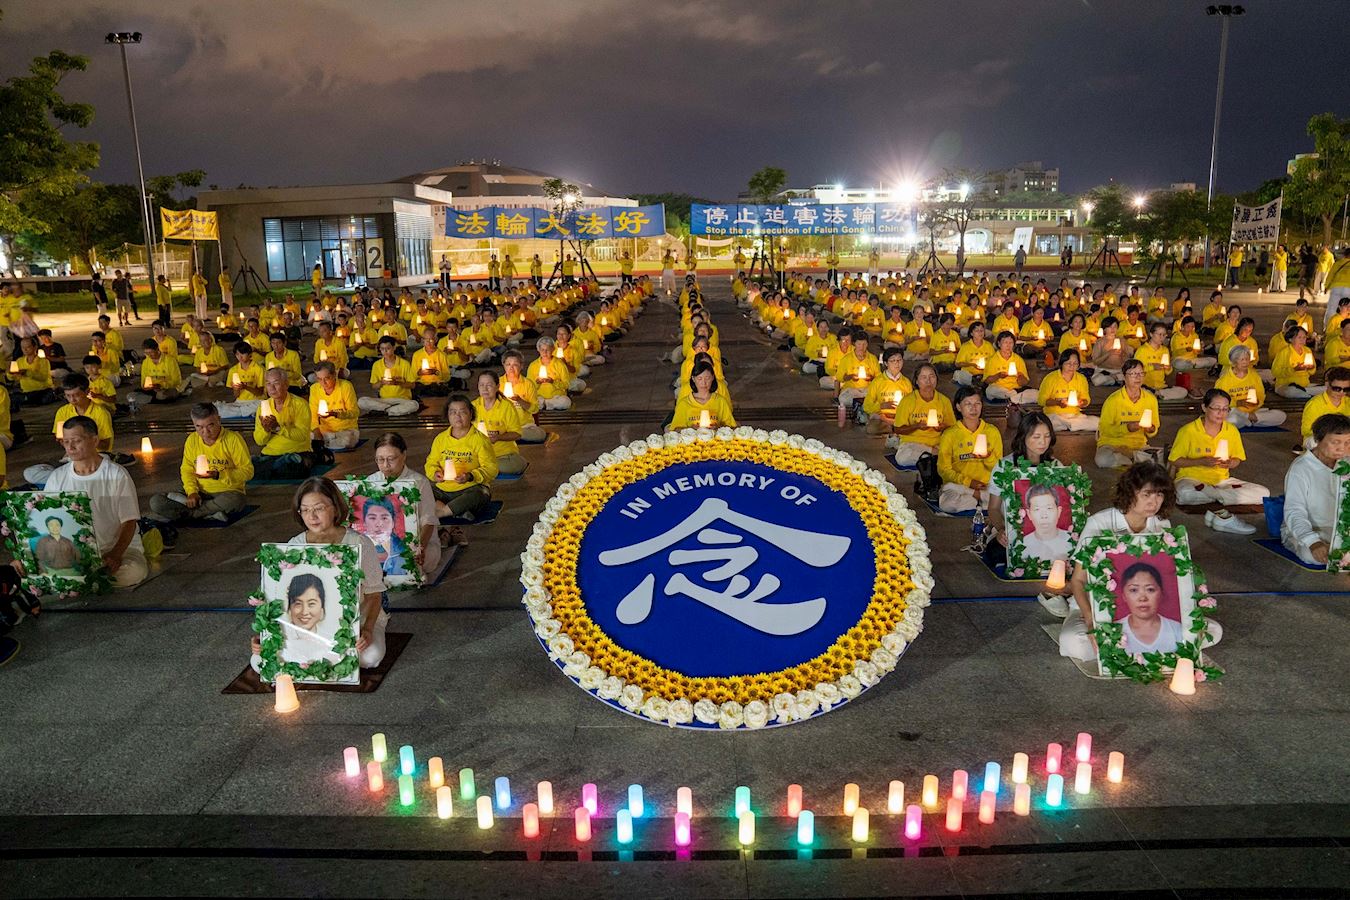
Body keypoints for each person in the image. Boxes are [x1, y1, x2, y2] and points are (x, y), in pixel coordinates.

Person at [1057, 462, 1221, 661]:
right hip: (1095, 606)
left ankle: (1139, 647)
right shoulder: (1099, 523)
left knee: (1214, 630)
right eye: (1146, 494)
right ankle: (1140, 648)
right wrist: (1091, 620)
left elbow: (1170, 577)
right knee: (1074, 642)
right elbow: (1078, 580)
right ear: (1130, 493)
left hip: (1149, 615)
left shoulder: (1161, 525)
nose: (1154, 502)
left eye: (1159, 495)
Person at [250, 477, 387, 674]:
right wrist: (264, 635)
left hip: (360, 618)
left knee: (370, 657)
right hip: (306, 625)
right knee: (258, 660)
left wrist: (367, 629)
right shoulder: (294, 547)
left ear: (335, 508)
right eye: (305, 510)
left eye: (319, 508)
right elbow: (277, 599)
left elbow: (374, 594)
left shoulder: (359, 543)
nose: (312, 516)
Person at [39, 416, 147, 588]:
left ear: (94, 440)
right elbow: (45, 519)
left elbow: (129, 521)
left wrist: (115, 554)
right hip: (74, 552)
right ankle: (84, 578)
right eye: (65, 442)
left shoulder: (116, 474)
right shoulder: (57, 477)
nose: (70, 447)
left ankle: (83, 579)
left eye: (76, 441)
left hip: (116, 548)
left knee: (131, 572)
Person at [1169, 389, 1268, 530]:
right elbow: (1174, 460)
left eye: (1225, 409)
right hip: (1191, 479)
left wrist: (1230, 463)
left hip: (1222, 482)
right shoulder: (1188, 430)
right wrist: (1201, 461)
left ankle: (1213, 494)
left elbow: (1237, 459)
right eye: (1216, 408)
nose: (1221, 413)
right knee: (1185, 494)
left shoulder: (1231, 431)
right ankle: (1223, 497)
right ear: (1204, 407)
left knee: (1263, 493)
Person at [149, 402, 254, 522]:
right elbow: (187, 470)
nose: (205, 432)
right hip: (199, 492)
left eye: (210, 425)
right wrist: (192, 492)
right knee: (156, 502)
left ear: (219, 420)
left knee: (236, 501)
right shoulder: (192, 440)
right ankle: (209, 513)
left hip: (226, 492)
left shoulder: (233, 439)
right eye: (199, 427)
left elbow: (248, 472)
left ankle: (193, 513)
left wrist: (219, 475)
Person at [367, 432, 449, 577]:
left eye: (391, 459)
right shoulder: (370, 482)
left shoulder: (419, 482)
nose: (385, 465)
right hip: (381, 543)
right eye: (380, 459)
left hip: (416, 543)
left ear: (404, 455)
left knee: (410, 564)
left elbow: (428, 520)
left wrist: (420, 548)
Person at [1282, 412, 1350, 565]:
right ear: (1318, 440)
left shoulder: (1347, 462)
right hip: (1313, 530)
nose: (1342, 448)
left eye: (1348, 443)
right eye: (1335, 442)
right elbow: (1294, 510)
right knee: (1313, 555)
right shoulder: (1301, 468)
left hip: (1341, 529)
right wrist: (1312, 542)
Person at [425, 395, 497, 520]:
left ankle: (441, 512)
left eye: (462, 412)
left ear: (471, 414)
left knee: (481, 494)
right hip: (443, 490)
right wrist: (435, 473)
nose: (457, 416)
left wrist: (470, 476)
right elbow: (430, 463)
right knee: (422, 492)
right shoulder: (441, 439)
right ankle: (456, 511)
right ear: (447, 415)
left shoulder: (480, 440)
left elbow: (491, 469)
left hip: (469, 489)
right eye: (453, 412)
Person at [936, 385, 1002, 513]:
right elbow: (943, 469)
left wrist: (988, 457)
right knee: (948, 504)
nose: (974, 408)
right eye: (968, 404)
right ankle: (981, 500)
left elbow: (999, 468)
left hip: (986, 486)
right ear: (958, 407)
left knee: (1010, 499)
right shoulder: (950, 434)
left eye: (977, 403)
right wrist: (968, 482)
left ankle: (976, 500)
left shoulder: (992, 431)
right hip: (959, 487)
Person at [251, 368, 315, 481]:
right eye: (268, 384)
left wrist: (277, 428)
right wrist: (266, 430)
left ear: (286, 384)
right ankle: (274, 466)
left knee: (294, 466)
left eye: (276, 383)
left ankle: (272, 468)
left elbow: (302, 436)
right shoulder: (263, 407)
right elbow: (259, 441)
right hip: (271, 454)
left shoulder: (300, 404)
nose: (272, 388)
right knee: (250, 468)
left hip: (296, 452)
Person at [1095, 359, 1160, 468]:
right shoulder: (1113, 400)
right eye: (1133, 374)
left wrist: (1151, 429)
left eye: (1141, 373)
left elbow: (1155, 428)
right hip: (1113, 444)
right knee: (1102, 460)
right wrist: (1127, 428)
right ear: (1124, 377)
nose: (1138, 377)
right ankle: (1137, 461)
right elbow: (1104, 429)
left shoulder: (1150, 399)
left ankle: (1132, 459)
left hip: (1138, 445)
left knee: (1164, 458)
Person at [890, 364, 954, 464]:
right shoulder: (908, 401)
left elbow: (952, 427)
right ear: (916, 381)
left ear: (936, 379)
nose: (928, 381)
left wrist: (942, 427)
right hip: (913, 444)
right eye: (924, 377)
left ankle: (930, 457)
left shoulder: (944, 401)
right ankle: (934, 455)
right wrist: (916, 426)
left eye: (932, 376)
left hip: (937, 442)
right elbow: (898, 429)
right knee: (902, 458)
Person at [472, 371, 528, 475]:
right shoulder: (473, 406)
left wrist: (498, 437)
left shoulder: (506, 406)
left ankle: (517, 462)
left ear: (497, 387)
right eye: (481, 385)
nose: (485, 389)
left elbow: (517, 434)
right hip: (479, 455)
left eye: (489, 385)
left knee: (501, 467)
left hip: (503, 455)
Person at [1216, 346, 1286, 427]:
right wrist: (1237, 403)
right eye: (1242, 360)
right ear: (1234, 362)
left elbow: (1261, 395)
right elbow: (1217, 401)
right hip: (1233, 412)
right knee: (1231, 418)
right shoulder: (1224, 380)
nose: (1245, 362)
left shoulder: (1254, 376)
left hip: (1253, 412)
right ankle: (1249, 419)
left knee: (1281, 415)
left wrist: (1257, 402)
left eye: (1247, 359)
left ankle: (1249, 419)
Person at [1038, 349, 1097, 432]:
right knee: (1048, 423)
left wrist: (1082, 402)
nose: (1072, 366)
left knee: (1097, 423)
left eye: (1075, 363)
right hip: (1054, 415)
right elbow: (1041, 400)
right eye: (1068, 363)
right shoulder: (1050, 378)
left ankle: (1068, 425)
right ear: (1062, 363)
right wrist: (1058, 403)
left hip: (1074, 416)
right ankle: (1070, 425)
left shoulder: (1081, 379)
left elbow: (1086, 399)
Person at [359, 337, 418, 417]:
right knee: (362, 401)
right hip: (384, 400)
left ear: (394, 348)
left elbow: (412, 385)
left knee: (414, 405)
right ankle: (391, 410)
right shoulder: (377, 365)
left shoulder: (404, 364)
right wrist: (382, 382)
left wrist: (397, 383)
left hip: (402, 400)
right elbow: (374, 386)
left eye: (388, 348)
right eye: (382, 349)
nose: (385, 351)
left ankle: (385, 411)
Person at [670, 360, 736, 430]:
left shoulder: (720, 401)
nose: (704, 383)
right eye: (699, 379)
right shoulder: (684, 403)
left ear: (713, 377)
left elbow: (732, 427)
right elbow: (675, 429)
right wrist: (691, 429)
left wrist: (718, 427)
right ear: (693, 379)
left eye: (707, 378)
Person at [309, 362, 360, 450]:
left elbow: (355, 412)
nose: (323, 383)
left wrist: (336, 414)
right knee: (302, 438)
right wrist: (316, 432)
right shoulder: (314, 389)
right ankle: (326, 443)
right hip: (324, 432)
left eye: (326, 378)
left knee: (347, 440)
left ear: (334, 375)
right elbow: (312, 415)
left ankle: (323, 444)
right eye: (319, 379)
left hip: (346, 430)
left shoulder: (346, 386)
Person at [1301, 367, 1350, 447]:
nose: (1341, 392)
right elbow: (1306, 431)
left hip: (1344, 438)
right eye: (1336, 388)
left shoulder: (1348, 402)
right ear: (1327, 384)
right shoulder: (1314, 404)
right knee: (1314, 442)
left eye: (1346, 389)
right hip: (1321, 438)